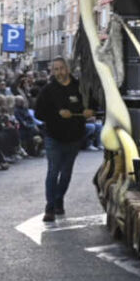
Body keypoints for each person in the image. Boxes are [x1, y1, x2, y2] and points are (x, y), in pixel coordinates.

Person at [34, 57, 93, 222]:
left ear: (68, 68)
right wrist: (56, 114)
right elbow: (38, 113)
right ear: (52, 71)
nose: (59, 72)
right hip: (54, 137)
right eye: (56, 69)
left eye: (62, 68)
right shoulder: (48, 90)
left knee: (66, 173)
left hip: (74, 136)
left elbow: (93, 104)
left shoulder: (80, 87)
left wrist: (90, 111)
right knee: (53, 171)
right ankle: (50, 206)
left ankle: (59, 198)